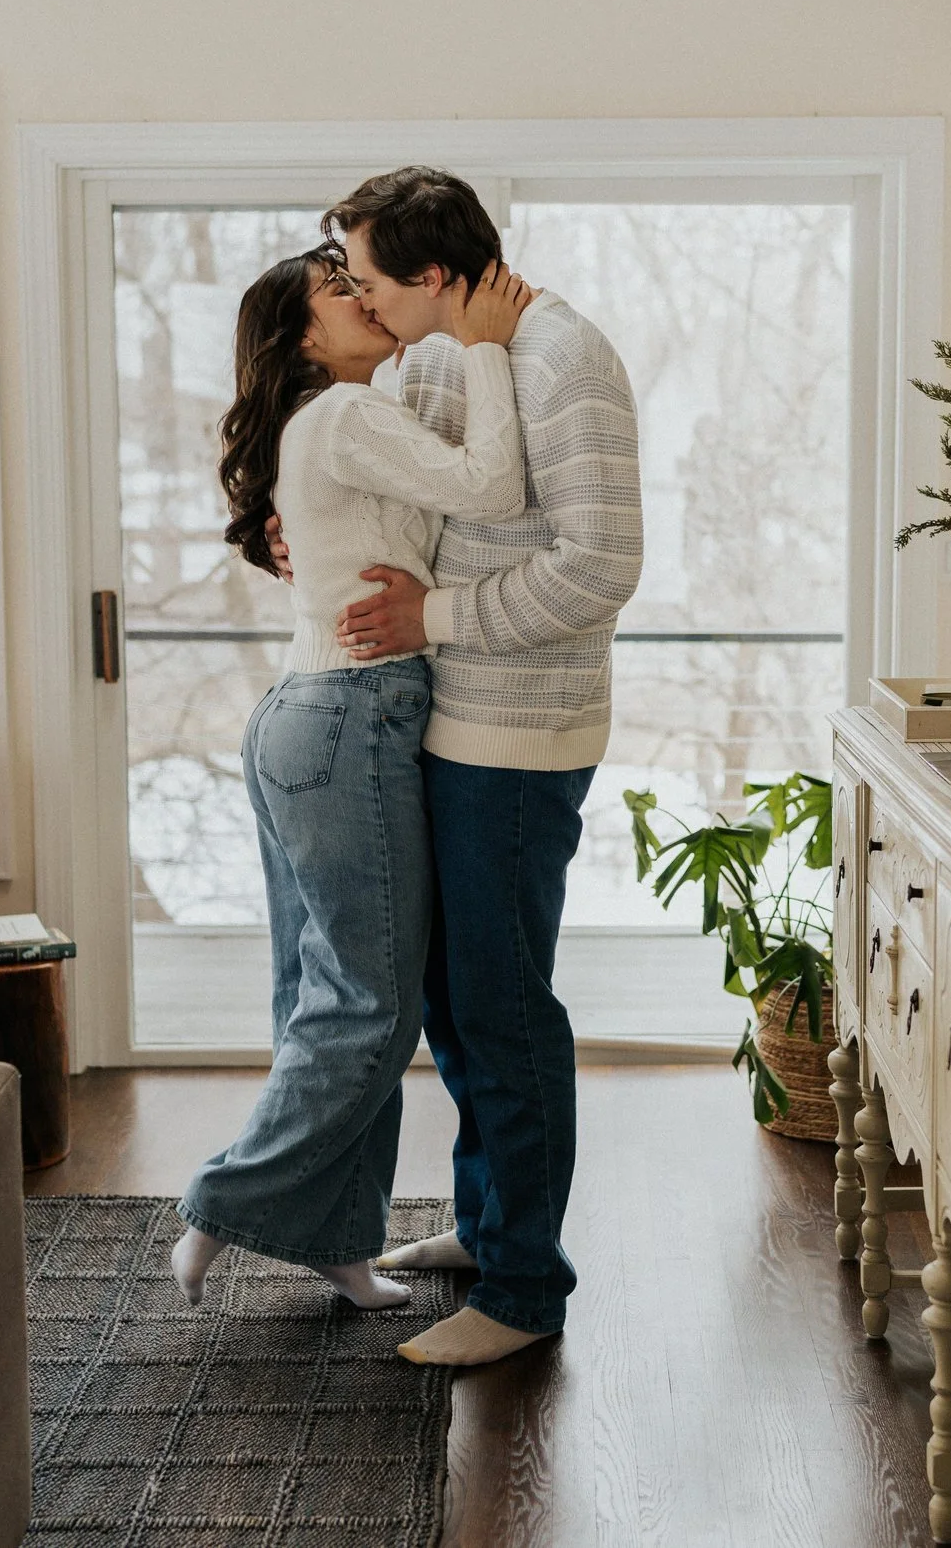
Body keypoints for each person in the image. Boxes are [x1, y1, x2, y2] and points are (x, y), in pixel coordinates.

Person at [323, 167, 644, 1368]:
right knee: (461, 1003)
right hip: (459, 723)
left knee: (505, 1012)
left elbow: (601, 563)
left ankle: (523, 1290)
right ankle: (485, 1224)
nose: (357, 297)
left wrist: (436, 619)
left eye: (368, 279)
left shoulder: (564, 356)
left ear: (437, 276)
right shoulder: (460, 350)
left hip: (519, 735)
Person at [173, 246, 534, 1312]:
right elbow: (494, 484)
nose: (364, 298)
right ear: (302, 338)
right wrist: (487, 352)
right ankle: (223, 1199)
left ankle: (336, 1236)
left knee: (320, 998)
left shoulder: (334, 419)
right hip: (351, 717)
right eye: (342, 291)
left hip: (308, 717)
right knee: (370, 1006)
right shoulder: (340, 412)